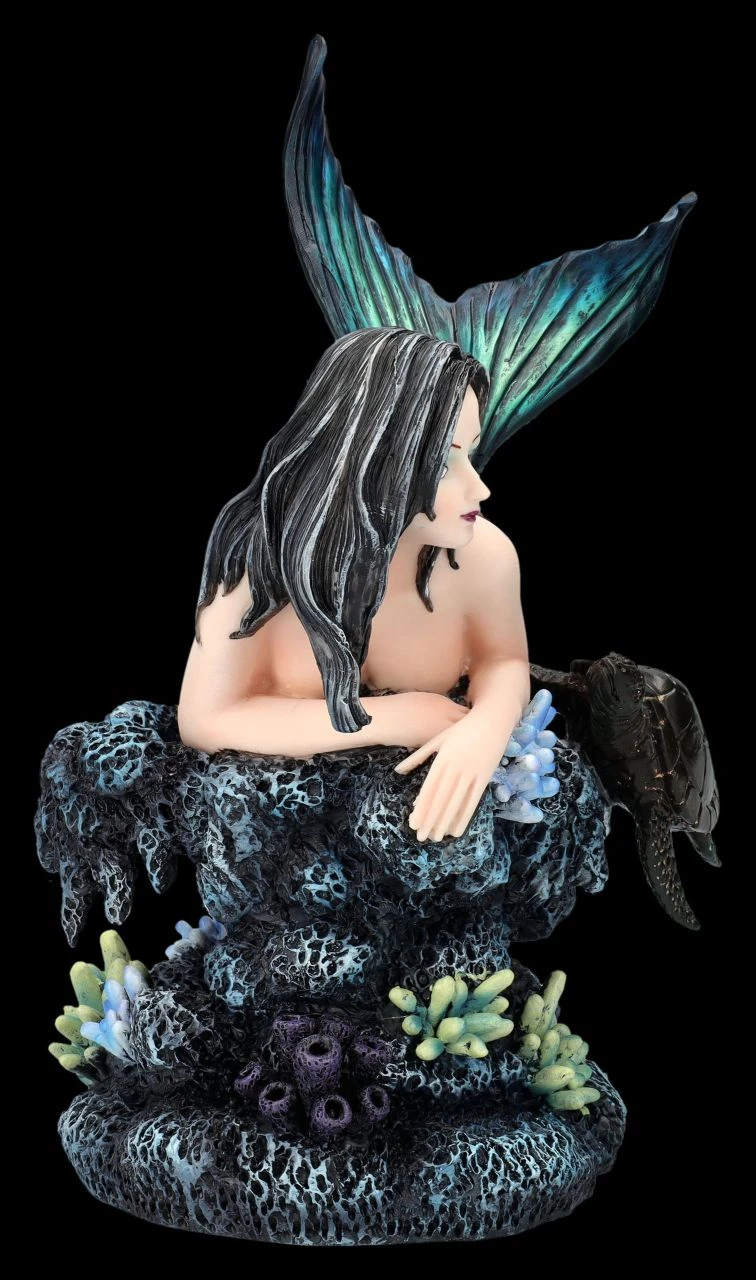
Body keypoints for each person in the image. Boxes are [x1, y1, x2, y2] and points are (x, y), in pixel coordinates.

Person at [178, 325, 532, 844]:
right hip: (288, 828)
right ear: (370, 457)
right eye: (443, 462)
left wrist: (488, 724)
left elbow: (503, 659)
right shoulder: (261, 563)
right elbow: (205, 718)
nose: (480, 487)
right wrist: (394, 717)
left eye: (471, 454)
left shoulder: (484, 556)